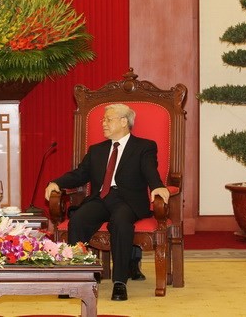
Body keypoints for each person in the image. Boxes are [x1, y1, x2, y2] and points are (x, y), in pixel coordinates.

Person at [44, 103, 170, 301]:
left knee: (120, 222)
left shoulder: (144, 147)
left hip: (127, 200)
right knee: (79, 219)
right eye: (103, 119)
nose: (103, 123)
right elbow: (80, 174)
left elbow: (149, 170)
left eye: (108, 119)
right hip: (100, 198)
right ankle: (77, 277)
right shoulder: (97, 150)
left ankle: (119, 281)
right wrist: (56, 183)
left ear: (123, 122)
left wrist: (157, 186)